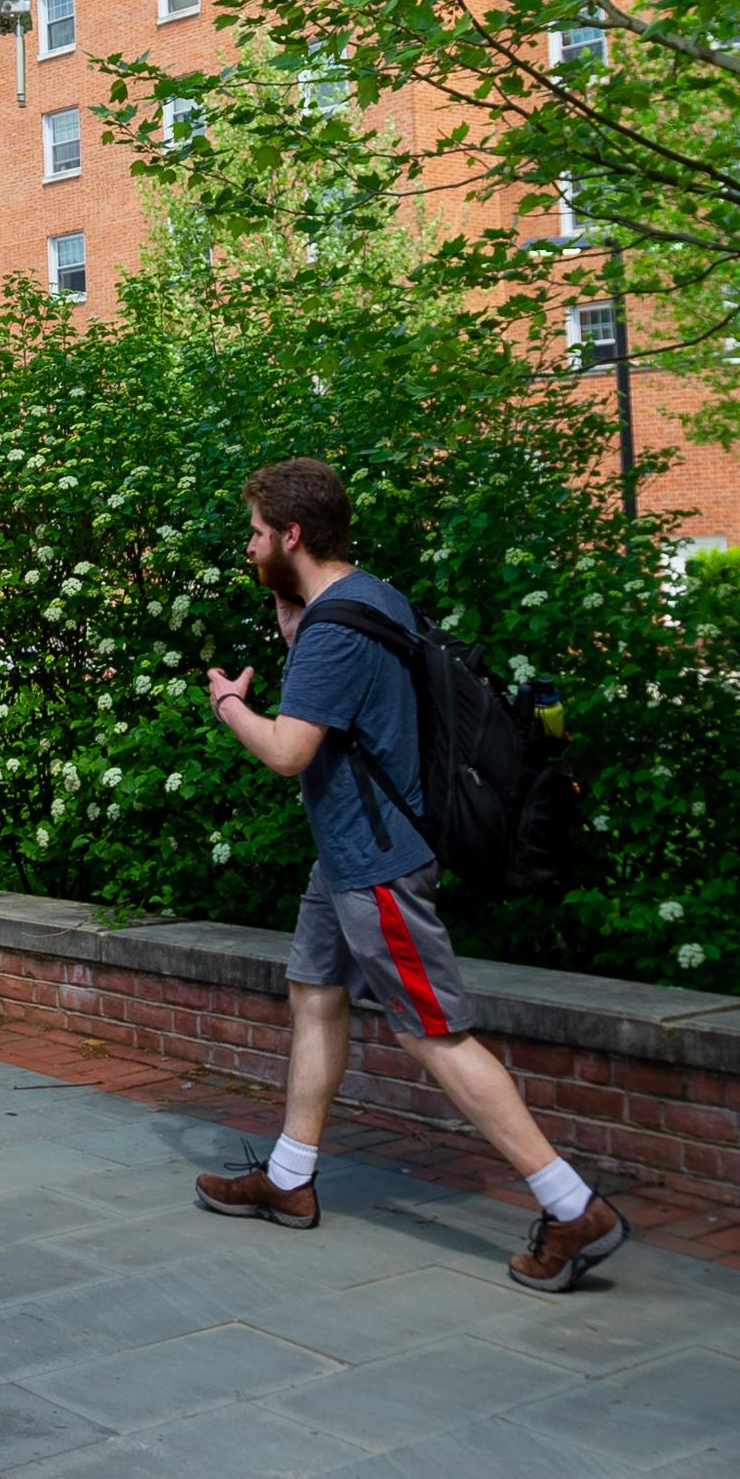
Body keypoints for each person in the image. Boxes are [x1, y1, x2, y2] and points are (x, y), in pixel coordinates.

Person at [197, 454, 632, 1291]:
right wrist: (296, 633)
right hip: (351, 853)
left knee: (433, 1032)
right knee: (314, 992)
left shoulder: (333, 631)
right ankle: (289, 1178)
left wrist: (229, 703)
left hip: (377, 863)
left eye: (255, 533)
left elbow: (290, 754)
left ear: (291, 534)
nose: (247, 548)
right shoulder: (368, 596)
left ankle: (571, 1202)